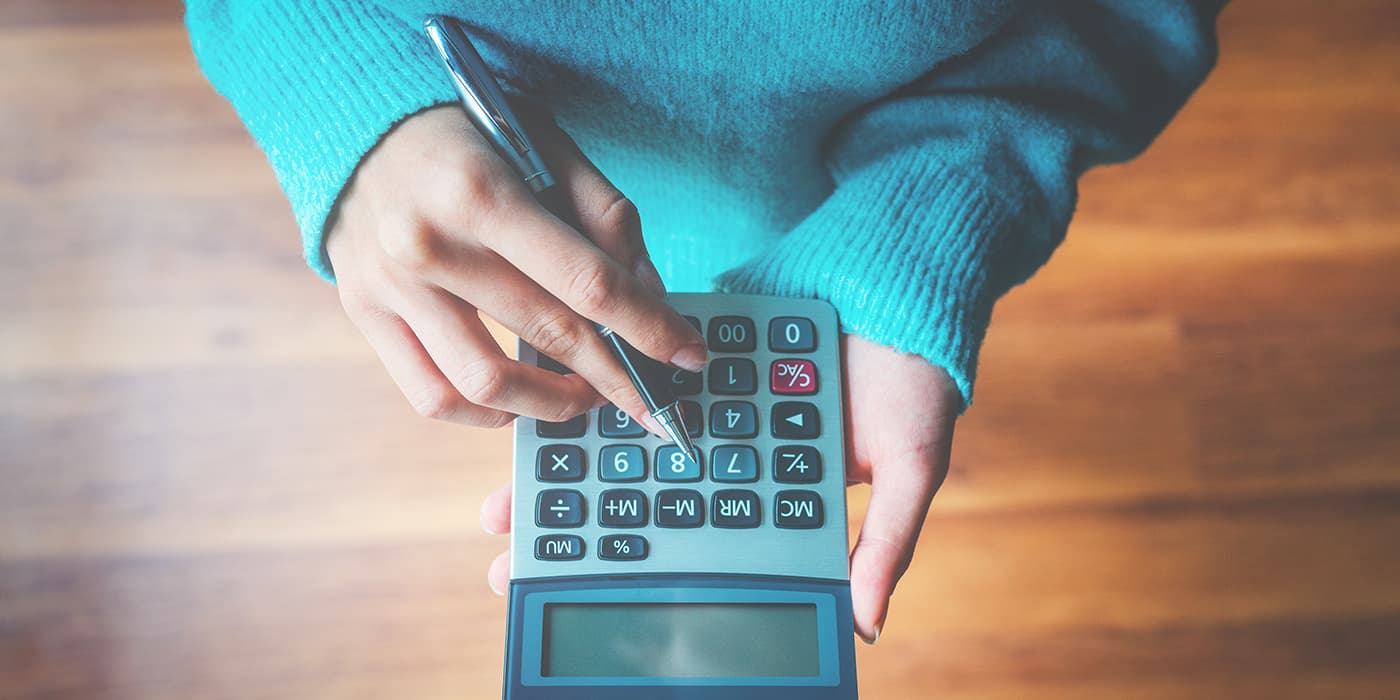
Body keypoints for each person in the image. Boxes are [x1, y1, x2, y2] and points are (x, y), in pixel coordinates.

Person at [187, 1, 1223, 643]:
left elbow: (1114, 19)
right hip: (487, 197)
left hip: (838, 219)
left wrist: (911, 233)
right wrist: (342, 97)